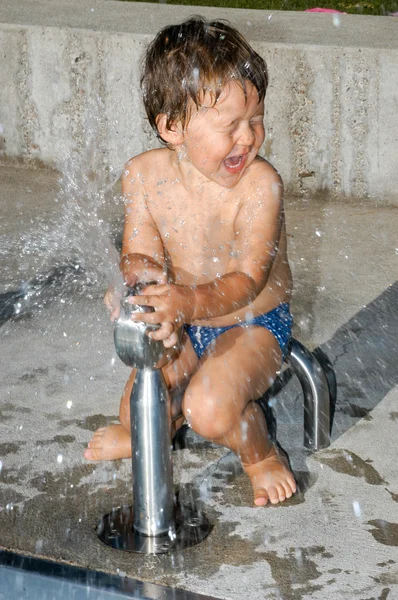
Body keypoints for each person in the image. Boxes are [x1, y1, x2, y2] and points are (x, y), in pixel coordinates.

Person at [84, 16, 297, 507]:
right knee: (140, 410)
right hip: (184, 316)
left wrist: (186, 302)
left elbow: (247, 280)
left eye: (256, 119)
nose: (248, 138)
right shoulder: (142, 175)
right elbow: (139, 253)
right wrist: (137, 289)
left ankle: (259, 450)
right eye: (230, 126)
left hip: (253, 324)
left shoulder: (260, 186)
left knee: (209, 409)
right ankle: (148, 430)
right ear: (173, 127)